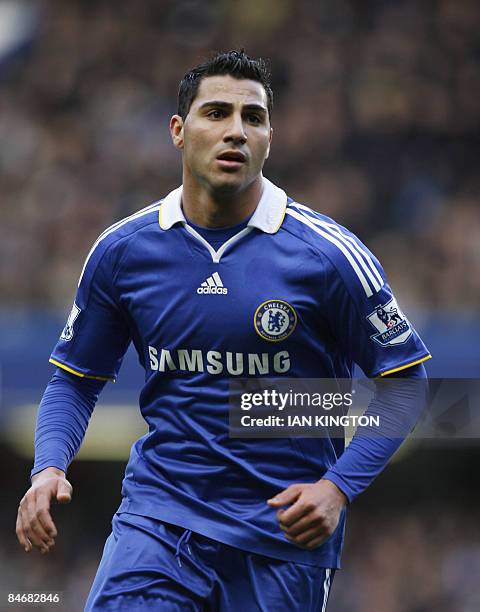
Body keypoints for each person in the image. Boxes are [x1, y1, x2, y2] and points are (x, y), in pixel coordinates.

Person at [16, 50, 431, 611]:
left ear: (268, 138)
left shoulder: (328, 255)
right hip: (158, 525)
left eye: (252, 118)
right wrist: (48, 466)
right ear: (179, 132)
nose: (236, 130)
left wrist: (337, 487)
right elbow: (75, 379)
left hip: (281, 540)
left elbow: (405, 381)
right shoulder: (124, 252)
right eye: (216, 113)